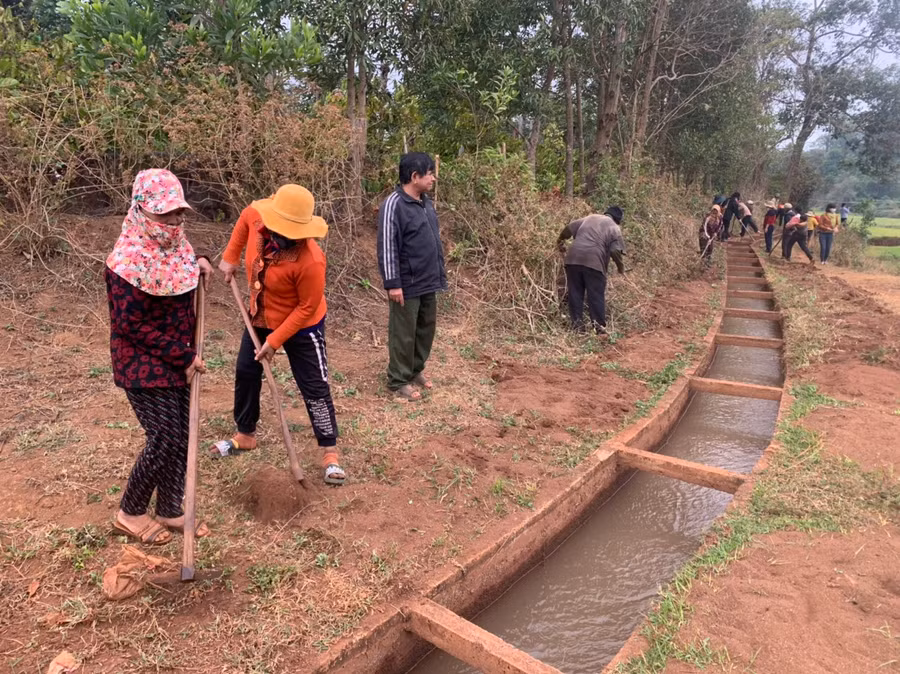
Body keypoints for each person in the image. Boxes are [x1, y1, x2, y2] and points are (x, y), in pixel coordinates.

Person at [105, 169, 213, 544]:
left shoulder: (177, 246)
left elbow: (182, 267)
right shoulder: (126, 262)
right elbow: (129, 326)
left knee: (182, 435)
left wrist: (200, 259)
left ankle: (170, 508)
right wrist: (182, 355)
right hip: (142, 362)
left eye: (178, 214)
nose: (173, 222)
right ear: (141, 211)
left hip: (177, 356)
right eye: (164, 215)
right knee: (165, 436)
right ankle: (130, 512)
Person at [215, 184, 345, 486]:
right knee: (247, 371)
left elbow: (306, 306)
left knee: (314, 385)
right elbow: (245, 217)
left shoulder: (311, 260)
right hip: (260, 316)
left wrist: (275, 342)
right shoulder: (258, 216)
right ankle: (245, 434)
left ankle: (329, 453)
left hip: (303, 324)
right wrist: (231, 257)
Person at [376, 152, 446, 402]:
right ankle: (398, 380)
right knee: (404, 332)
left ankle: (415, 369)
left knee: (425, 329)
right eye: (429, 174)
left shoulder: (426, 202)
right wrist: (393, 284)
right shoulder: (393, 204)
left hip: (429, 279)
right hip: (406, 283)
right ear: (414, 177)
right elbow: (387, 246)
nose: (433, 178)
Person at [557, 206, 626, 332]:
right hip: (594, 263)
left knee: (575, 293)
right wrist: (621, 268)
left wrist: (560, 243)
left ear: (606, 213)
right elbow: (615, 250)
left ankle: (577, 326)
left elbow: (568, 229)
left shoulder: (590, 217)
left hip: (573, 260)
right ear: (618, 220)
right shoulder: (614, 227)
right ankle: (599, 328)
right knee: (595, 295)